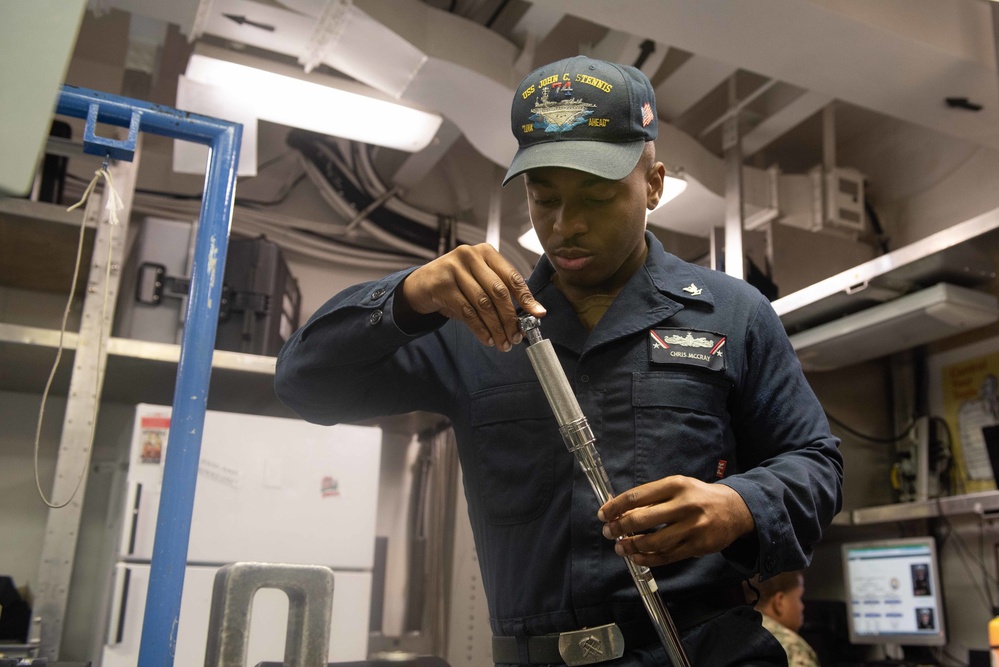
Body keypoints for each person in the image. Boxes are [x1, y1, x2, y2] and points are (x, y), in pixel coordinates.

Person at [275, 55, 843, 666]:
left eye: (597, 197)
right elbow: (306, 385)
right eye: (543, 198)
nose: (566, 226)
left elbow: (816, 464)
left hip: (701, 647)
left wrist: (737, 506)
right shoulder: (471, 325)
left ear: (652, 183)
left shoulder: (732, 316)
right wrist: (407, 296)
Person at [751, 571, 820, 667]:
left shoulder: (738, 631)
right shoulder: (791, 646)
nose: (802, 606)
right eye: (799, 598)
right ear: (779, 602)